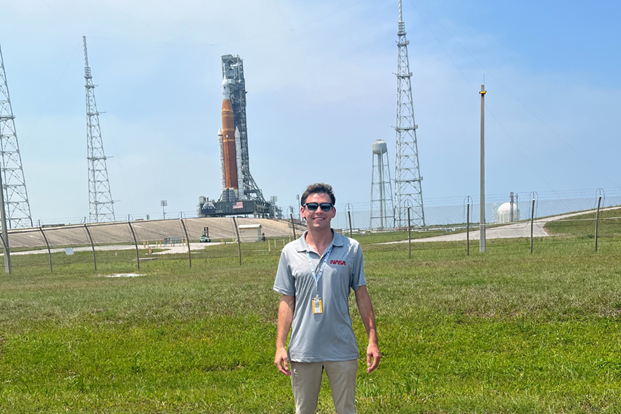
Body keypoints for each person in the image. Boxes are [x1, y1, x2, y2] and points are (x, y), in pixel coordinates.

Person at [273, 183, 380, 414]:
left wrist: (372, 340)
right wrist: (280, 345)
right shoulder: (290, 252)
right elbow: (286, 301)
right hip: (303, 350)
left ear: (333, 211)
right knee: (304, 411)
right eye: (312, 206)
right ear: (303, 211)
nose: (318, 211)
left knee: (346, 410)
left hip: (342, 348)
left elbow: (361, 295)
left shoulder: (351, 248)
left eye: (324, 206)